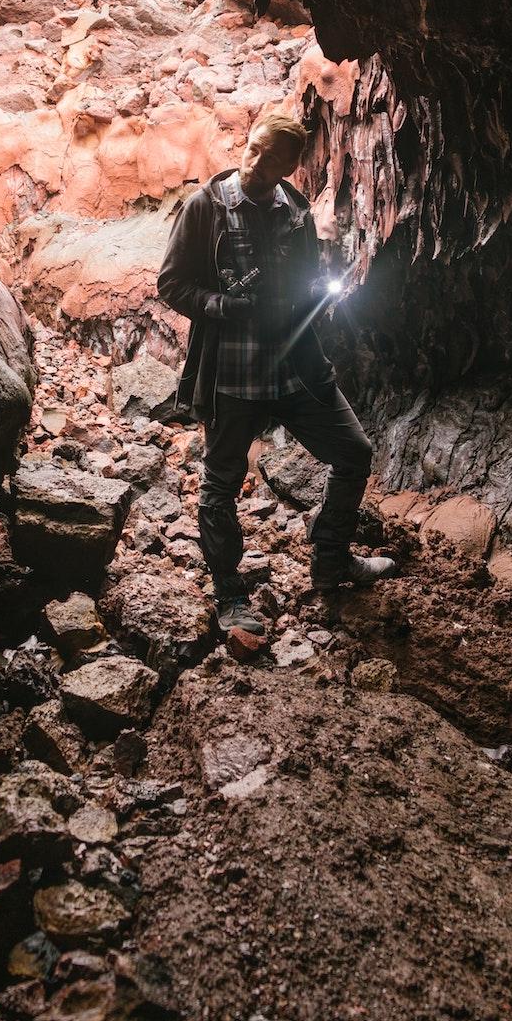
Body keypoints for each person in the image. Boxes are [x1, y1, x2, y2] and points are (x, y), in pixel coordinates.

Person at [157, 106, 395, 635]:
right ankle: (228, 592)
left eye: (272, 158)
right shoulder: (206, 208)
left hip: (295, 370)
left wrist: (312, 298)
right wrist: (220, 304)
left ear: (290, 167)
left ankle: (331, 562)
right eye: (254, 147)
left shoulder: (296, 211)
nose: (256, 162)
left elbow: (311, 277)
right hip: (234, 377)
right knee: (220, 486)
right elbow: (171, 284)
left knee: (353, 453)